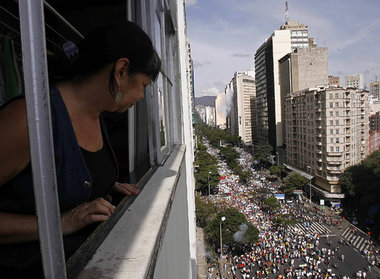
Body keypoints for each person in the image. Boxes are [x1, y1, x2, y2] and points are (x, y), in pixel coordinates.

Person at [0, 20, 161, 277]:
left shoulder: (96, 116)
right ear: (121, 71)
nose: (141, 97)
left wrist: (103, 182)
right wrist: (59, 223)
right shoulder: (28, 119)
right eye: (143, 85)